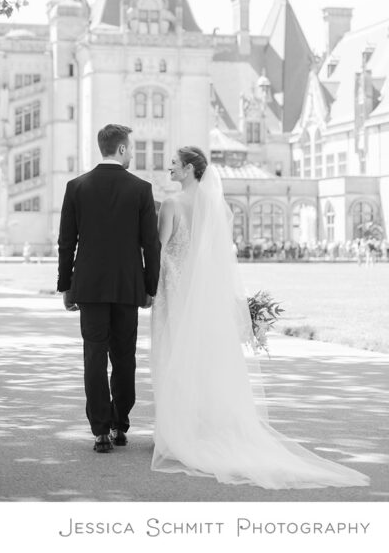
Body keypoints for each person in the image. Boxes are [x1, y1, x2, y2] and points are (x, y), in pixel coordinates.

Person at [150, 146, 369, 489]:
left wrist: (152, 286)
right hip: (208, 299)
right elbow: (222, 257)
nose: (170, 169)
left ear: (191, 169)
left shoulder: (172, 204)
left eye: (175, 164)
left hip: (176, 293)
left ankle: (177, 432)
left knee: (174, 357)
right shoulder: (218, 208)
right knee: (206, 360)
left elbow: (161, 250)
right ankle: (205, 426)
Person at [57, 124, 161, 453]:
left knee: (94, 356)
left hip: (88, 287)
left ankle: (100, 431)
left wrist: (65, 285)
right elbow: (151, 245)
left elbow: (66, 243)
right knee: (124, 357)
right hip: (129, 288)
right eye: (129, 148)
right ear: (120, 150)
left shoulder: (76, 187)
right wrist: (151, 287)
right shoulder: (141, 189)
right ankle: (120, 423)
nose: (131, 153)